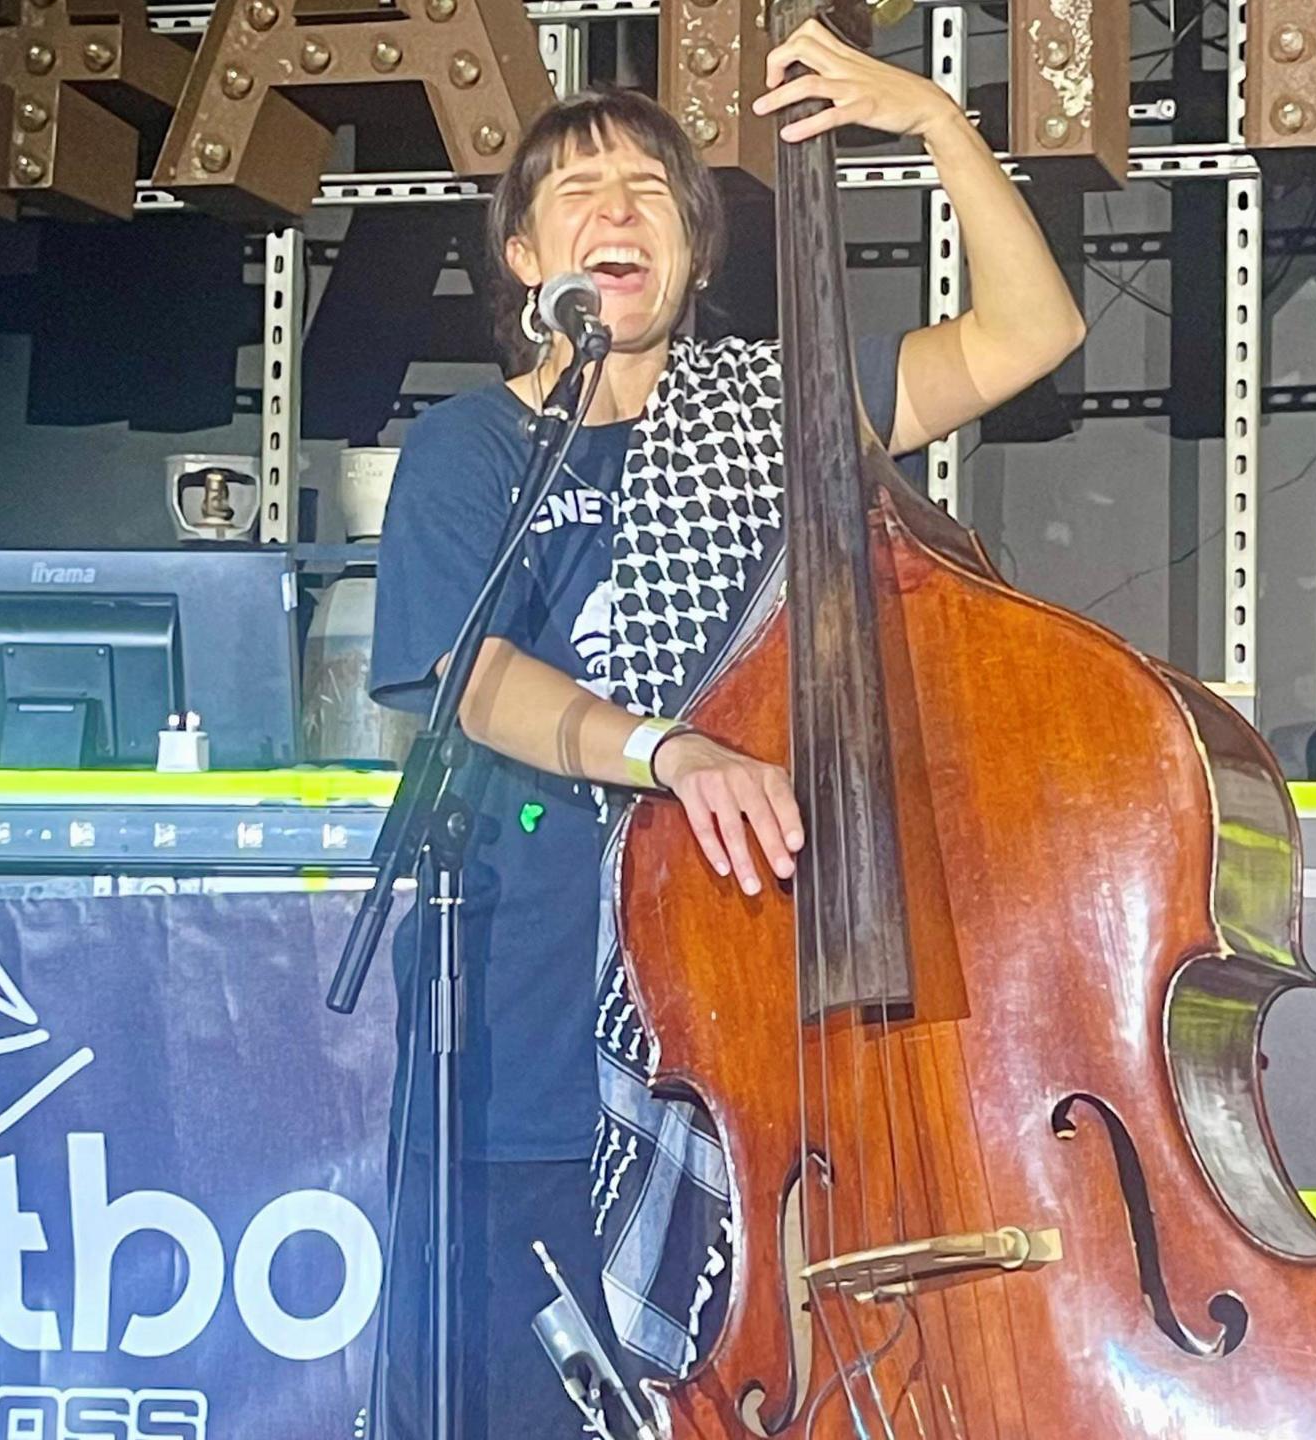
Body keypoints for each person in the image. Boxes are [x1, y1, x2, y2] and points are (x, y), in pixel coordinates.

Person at [367, 22, 1085, 1435]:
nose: (617, 208)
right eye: (577, 190)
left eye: (648, 189)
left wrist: (935, 117)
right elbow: (473, 679)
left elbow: (1032, 331)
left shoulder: (781, 413)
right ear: (523, 260)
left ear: (693, 259)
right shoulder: (471, 449)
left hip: (764, 1006)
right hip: (537, 1019)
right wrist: (666, 749)